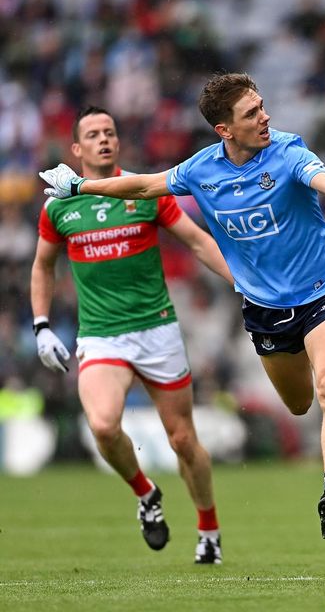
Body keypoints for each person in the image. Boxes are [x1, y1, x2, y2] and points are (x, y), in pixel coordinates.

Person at [38, 73, 325, 542]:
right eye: (251, 113)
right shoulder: (201, 170)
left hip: (324, 292)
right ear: (224, 130)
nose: (265, 116)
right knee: (299, 403)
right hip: (267, 311)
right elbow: (146, 186)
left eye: (263, 105)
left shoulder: (289, 152)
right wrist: (80, 190)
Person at [31, 106, 234, 563]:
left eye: (110, 131)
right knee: (102, 425)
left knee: (183, 439)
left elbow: (199, 241)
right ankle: (146, 495)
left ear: (118, 142)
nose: (104, 139)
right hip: (102, 336)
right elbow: (43, 265)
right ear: (77, 149)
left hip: (157, 329)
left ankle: (209, 530)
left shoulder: (144, 191)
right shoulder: (59, 205)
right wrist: (41, 324)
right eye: (93, 134)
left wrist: (242, 284)